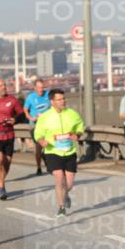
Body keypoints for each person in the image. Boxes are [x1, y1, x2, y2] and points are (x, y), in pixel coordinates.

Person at [34, 88, 85, 217]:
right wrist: (41, 141)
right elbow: (38, 133)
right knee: (59, 176)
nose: (63, 101)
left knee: (69, 184)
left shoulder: (72, 114)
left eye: (63, 98)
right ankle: (61, 207)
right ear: (52, 101)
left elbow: (80, 126)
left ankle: (66, 193)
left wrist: (77, 135)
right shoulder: (45, 117)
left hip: (69, 151)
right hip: (52, 151)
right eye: (59, 99)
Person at [24, 79, 52, 175]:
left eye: (42, 87)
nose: (41, 90)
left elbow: (53, 105)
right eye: (39, 88)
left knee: (48, 145)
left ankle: (49, 163)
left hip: (47, 125)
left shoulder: (48, 94)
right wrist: (30, 117)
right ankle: (39, 167)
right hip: (35, 125)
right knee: (39, 146)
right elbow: (25, 109)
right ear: (35, 88)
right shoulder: (31, 97)